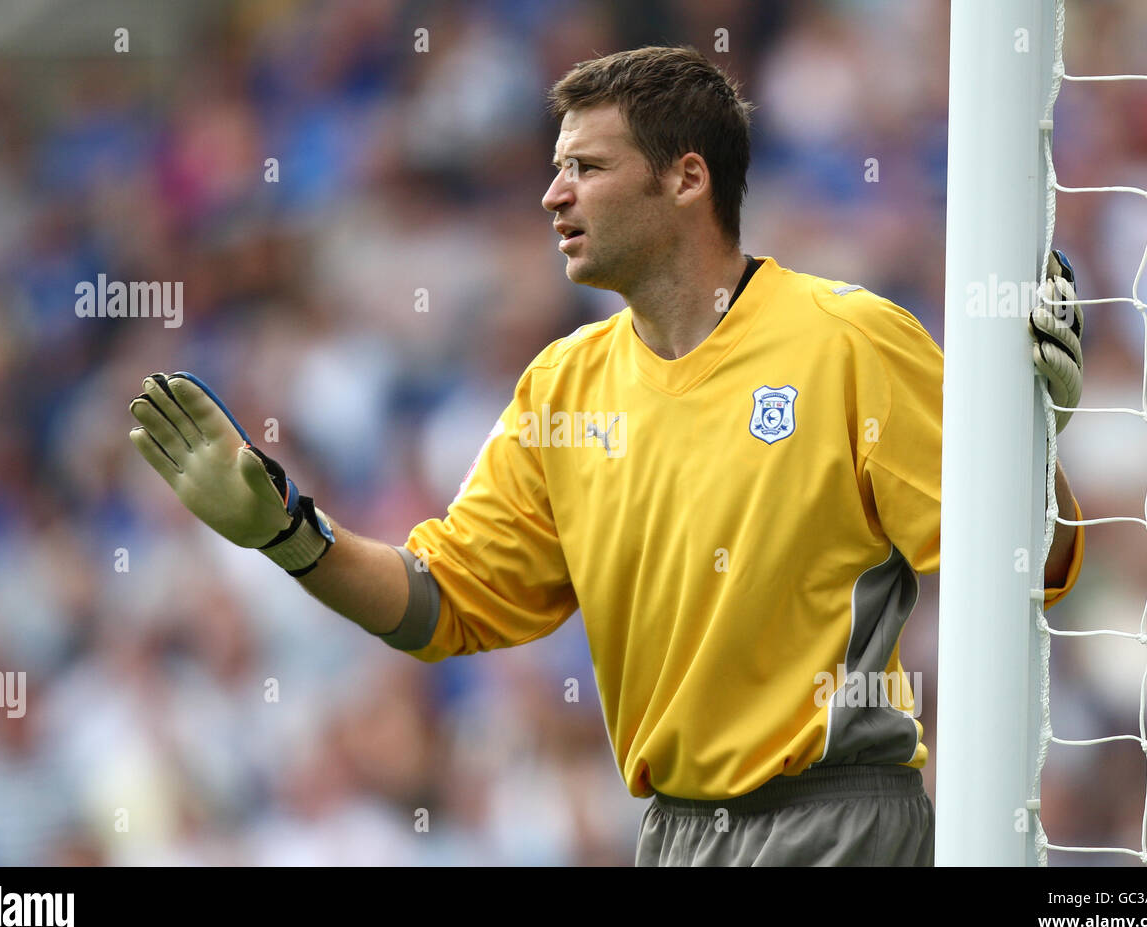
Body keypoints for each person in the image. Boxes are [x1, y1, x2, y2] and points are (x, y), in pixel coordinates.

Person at [127, 45, 1086, 866]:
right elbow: (441, 604)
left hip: (835, 821)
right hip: (672, 835)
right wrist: (289, 536)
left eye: (586, 167)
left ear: (686, 177)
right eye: (555, 168)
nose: (553, 194)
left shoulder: (848, 341)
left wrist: (1034, 443)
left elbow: (1023, 571)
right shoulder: (563, 388)